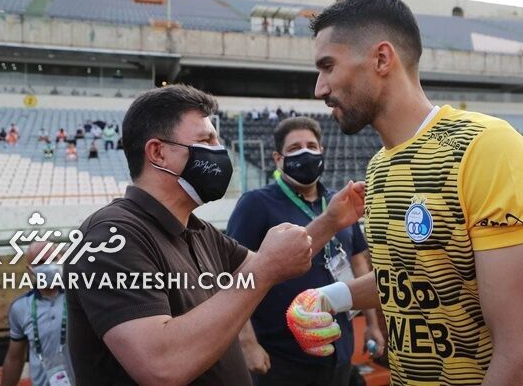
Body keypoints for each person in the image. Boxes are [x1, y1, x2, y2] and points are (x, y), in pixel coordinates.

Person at [286, 0, 523, 385]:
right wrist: (331, 297)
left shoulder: (486, 149)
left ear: (382, 59)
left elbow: (522, 358)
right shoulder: (379, 168)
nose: (320, 88)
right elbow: (415, 276)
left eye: (328, 66)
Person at [65, 85, 363, 385]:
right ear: (158, 153)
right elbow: (161, 365)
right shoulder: (110, 237)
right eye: (206, 140)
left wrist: (331, 221)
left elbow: (279, 260)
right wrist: (264, 270)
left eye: (217, 139)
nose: (220, 151)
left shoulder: (198, 230)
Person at [228, 117, 382, 386]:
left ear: (322, 151)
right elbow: (235, 274)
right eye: (295, 148)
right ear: (278, 158)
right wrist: (247, 342)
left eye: (311, 146)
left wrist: (372, 323)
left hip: (339, 346)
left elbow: (358, 263)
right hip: (281, 355)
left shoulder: (339, 201)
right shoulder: (256, 204)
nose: (305, 153)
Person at [1, 241, 72, 386]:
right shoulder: (20, 307)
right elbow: (15, 358)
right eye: (40, 262)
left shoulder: (80, 298)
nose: (48, 265)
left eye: (53, 259)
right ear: (30, 269)